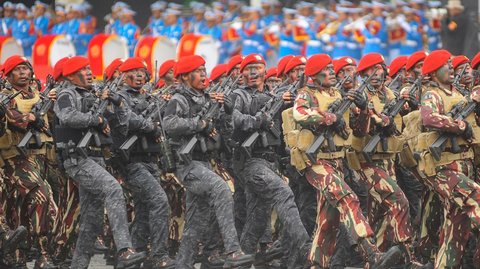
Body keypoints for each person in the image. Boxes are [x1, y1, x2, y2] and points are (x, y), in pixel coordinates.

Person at [53, 56, 146, 269]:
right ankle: (124, 249)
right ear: (70, 75)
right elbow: (68, 117)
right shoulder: (66, 94)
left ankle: (78, 265)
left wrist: (117, 102)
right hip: (77, 159)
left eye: (88, 68)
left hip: (96, 158)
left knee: (91, 221)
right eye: (82, 69)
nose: (88, 72)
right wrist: (96, 119)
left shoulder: (96, 94)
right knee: (113, 189)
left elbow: (121, 124)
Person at [163, 55, 254, 268]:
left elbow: (225, 131)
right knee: (222, 189)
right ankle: (232, 250)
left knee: (196, 221)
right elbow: (169, 123)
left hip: (204, 163)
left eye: (205, 70)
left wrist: (228, 110)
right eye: (198, 71)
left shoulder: (207, 99)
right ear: (185, 77)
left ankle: (182, 264)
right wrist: (199, 123)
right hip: (187, 164)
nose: (204, 75)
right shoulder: (180, 99)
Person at [417, 49, 480, 268]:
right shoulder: (432, 94)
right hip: (443, 168)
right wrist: (460, 125)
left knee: (456, 229)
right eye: (446, 65)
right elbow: (429, 118)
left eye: (452, 64)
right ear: (434, 72)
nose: (451, 68)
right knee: (476, 198)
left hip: (464, 165)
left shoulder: (460, 95)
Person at [111, 57, 176, 268]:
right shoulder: (119, 97)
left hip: (151, 160)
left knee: (144, 210)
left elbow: (163, 120)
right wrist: (150, 125)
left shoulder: (149, 97)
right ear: (124, 75)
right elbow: (126, 118)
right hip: (132, 161)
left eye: (142, 72)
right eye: (134, 71)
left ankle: (134, 256)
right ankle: (159, 255)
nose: (139, 75)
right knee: (159, 201)